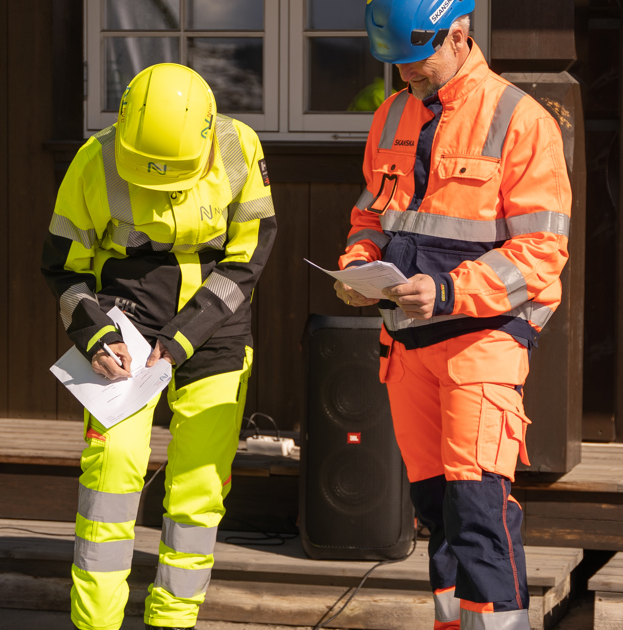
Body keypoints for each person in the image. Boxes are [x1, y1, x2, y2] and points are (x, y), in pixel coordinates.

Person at [332, 1, 571, 629]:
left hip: (482, 343)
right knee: (437, 510)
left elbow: (541, 253)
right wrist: (358, 268)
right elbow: (372, 218)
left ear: (458, 34)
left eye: (415, 59)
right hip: (407, 345)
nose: (403, 74)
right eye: (394, 62)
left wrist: (446, 291)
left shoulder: (522, 120)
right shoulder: (389, 116)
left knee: (479, 511)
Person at [41, 63, 276, 630]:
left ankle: (174, 620)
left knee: (198, 488)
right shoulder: (94, 158)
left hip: (215, 334)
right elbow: (61, 268)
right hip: (123, 328)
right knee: (111, 478)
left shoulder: (238, 147)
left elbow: (248, 257)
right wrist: (94, 334)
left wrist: (180, 339)